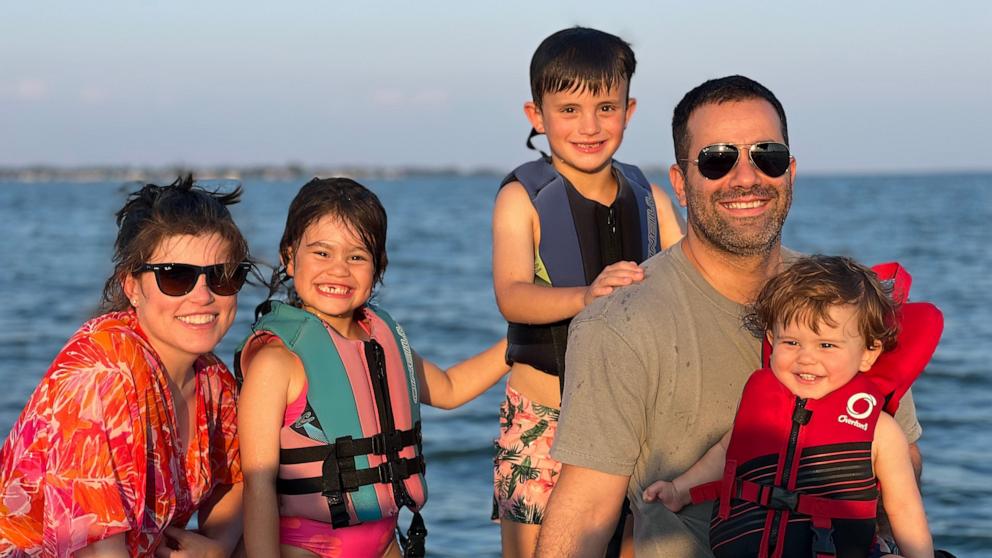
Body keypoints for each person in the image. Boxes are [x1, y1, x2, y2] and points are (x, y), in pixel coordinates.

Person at [533, 75, 923, 557]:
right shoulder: (620, 322)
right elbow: (587, 511)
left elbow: (904, 468)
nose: (746, 178)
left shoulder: (849, 304)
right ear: (680, 183)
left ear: (791, 172)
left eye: (768, 156)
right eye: (717, 160)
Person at [236, 177, 509, 558]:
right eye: (321, 253)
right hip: (307, 546)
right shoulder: (277, 362)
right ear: (288, 255)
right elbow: (258, 483)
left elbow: (448, 388)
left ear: (379, 267)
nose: (339, 270)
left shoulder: (381, 342)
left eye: (357, 256)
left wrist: (516, 344)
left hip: (384, 543)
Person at [491, 26, 684, 558]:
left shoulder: (650, 197)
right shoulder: (522, 197)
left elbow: (689, 275)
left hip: (634, 417)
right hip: (543, 417)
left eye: (606, 107)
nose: (590, 125)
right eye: (569, 109)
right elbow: (511, 293)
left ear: (629, 108)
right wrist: (585, 297)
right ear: (537, 115)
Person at [0, 175, 249, 557]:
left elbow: (236, 480)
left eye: (223, 276)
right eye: (175, 276)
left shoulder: (212, 378)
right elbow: (97, 551)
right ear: (132, 286)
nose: (203, 296)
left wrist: (217, 546)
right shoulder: (100, 376)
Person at [642, 255, 937, 558]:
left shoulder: (879, 430)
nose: (806, 358)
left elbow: (904, 506)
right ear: (772, 337)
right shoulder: (761, 410)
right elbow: (722, 455)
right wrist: (679, 490)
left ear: (867, 354)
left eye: (827, 345)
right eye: (792, 342)